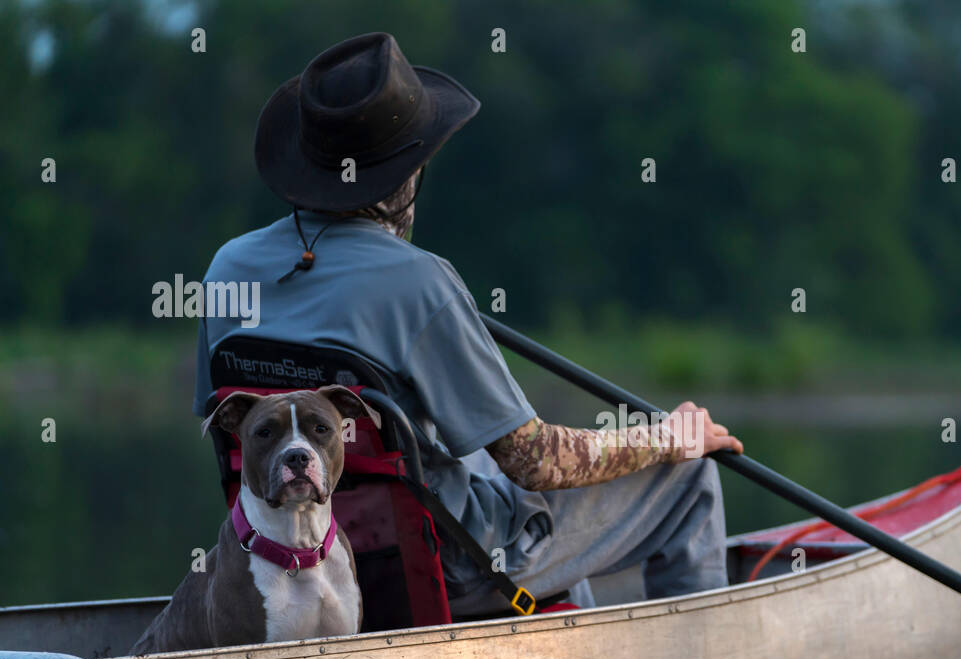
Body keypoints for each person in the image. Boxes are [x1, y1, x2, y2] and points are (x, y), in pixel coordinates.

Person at [194, 32, 742, 616]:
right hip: (443, 566)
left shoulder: (228, 267)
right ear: (406, 176)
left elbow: (227, 428)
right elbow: (537, 459)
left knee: (470, 458)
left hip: (293, 560)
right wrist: (667, 437)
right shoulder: (421, 281)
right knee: (687, 474)